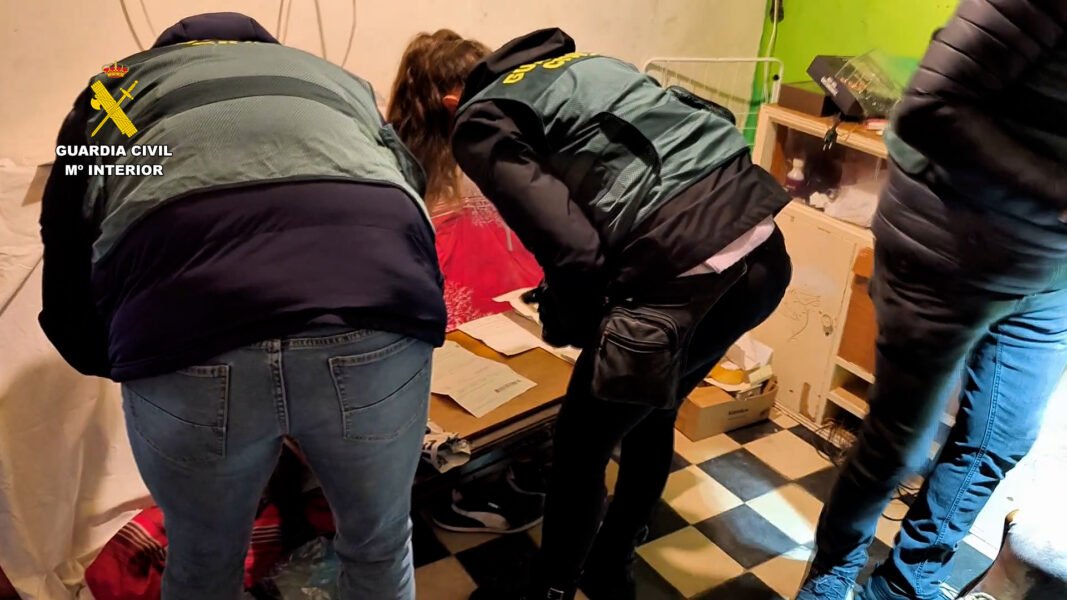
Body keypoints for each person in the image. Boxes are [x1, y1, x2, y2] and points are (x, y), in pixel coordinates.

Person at [38, 12, 445, 600]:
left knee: (204, 561)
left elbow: (68, 225)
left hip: (185, 326)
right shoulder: (330, 77)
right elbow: (408, 178)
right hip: (372, 304)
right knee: (379, 544)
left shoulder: (117, 91)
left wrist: (109, 354)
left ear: (168, 52)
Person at [401, 27, 793, 600]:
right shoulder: (582, 66)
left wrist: (569, 319)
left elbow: (575, 252)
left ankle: (551, 590)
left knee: (579, 448)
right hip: (763, 254)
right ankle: (612, 564)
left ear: (449, 102)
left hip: (682, 281)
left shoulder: (480, 120)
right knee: (653, 412)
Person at [797, 2, 1067, 599]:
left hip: (1051, 273)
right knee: (899, 445)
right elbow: (930, 110)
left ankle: (904, 586)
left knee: (1000, 439)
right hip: (947, 250)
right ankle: (830, 577)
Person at [387, 30, 542, 331]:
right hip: (464, 326)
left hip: (518, 311)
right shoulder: (412, 175)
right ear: (454, 103)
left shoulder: (496, 154)